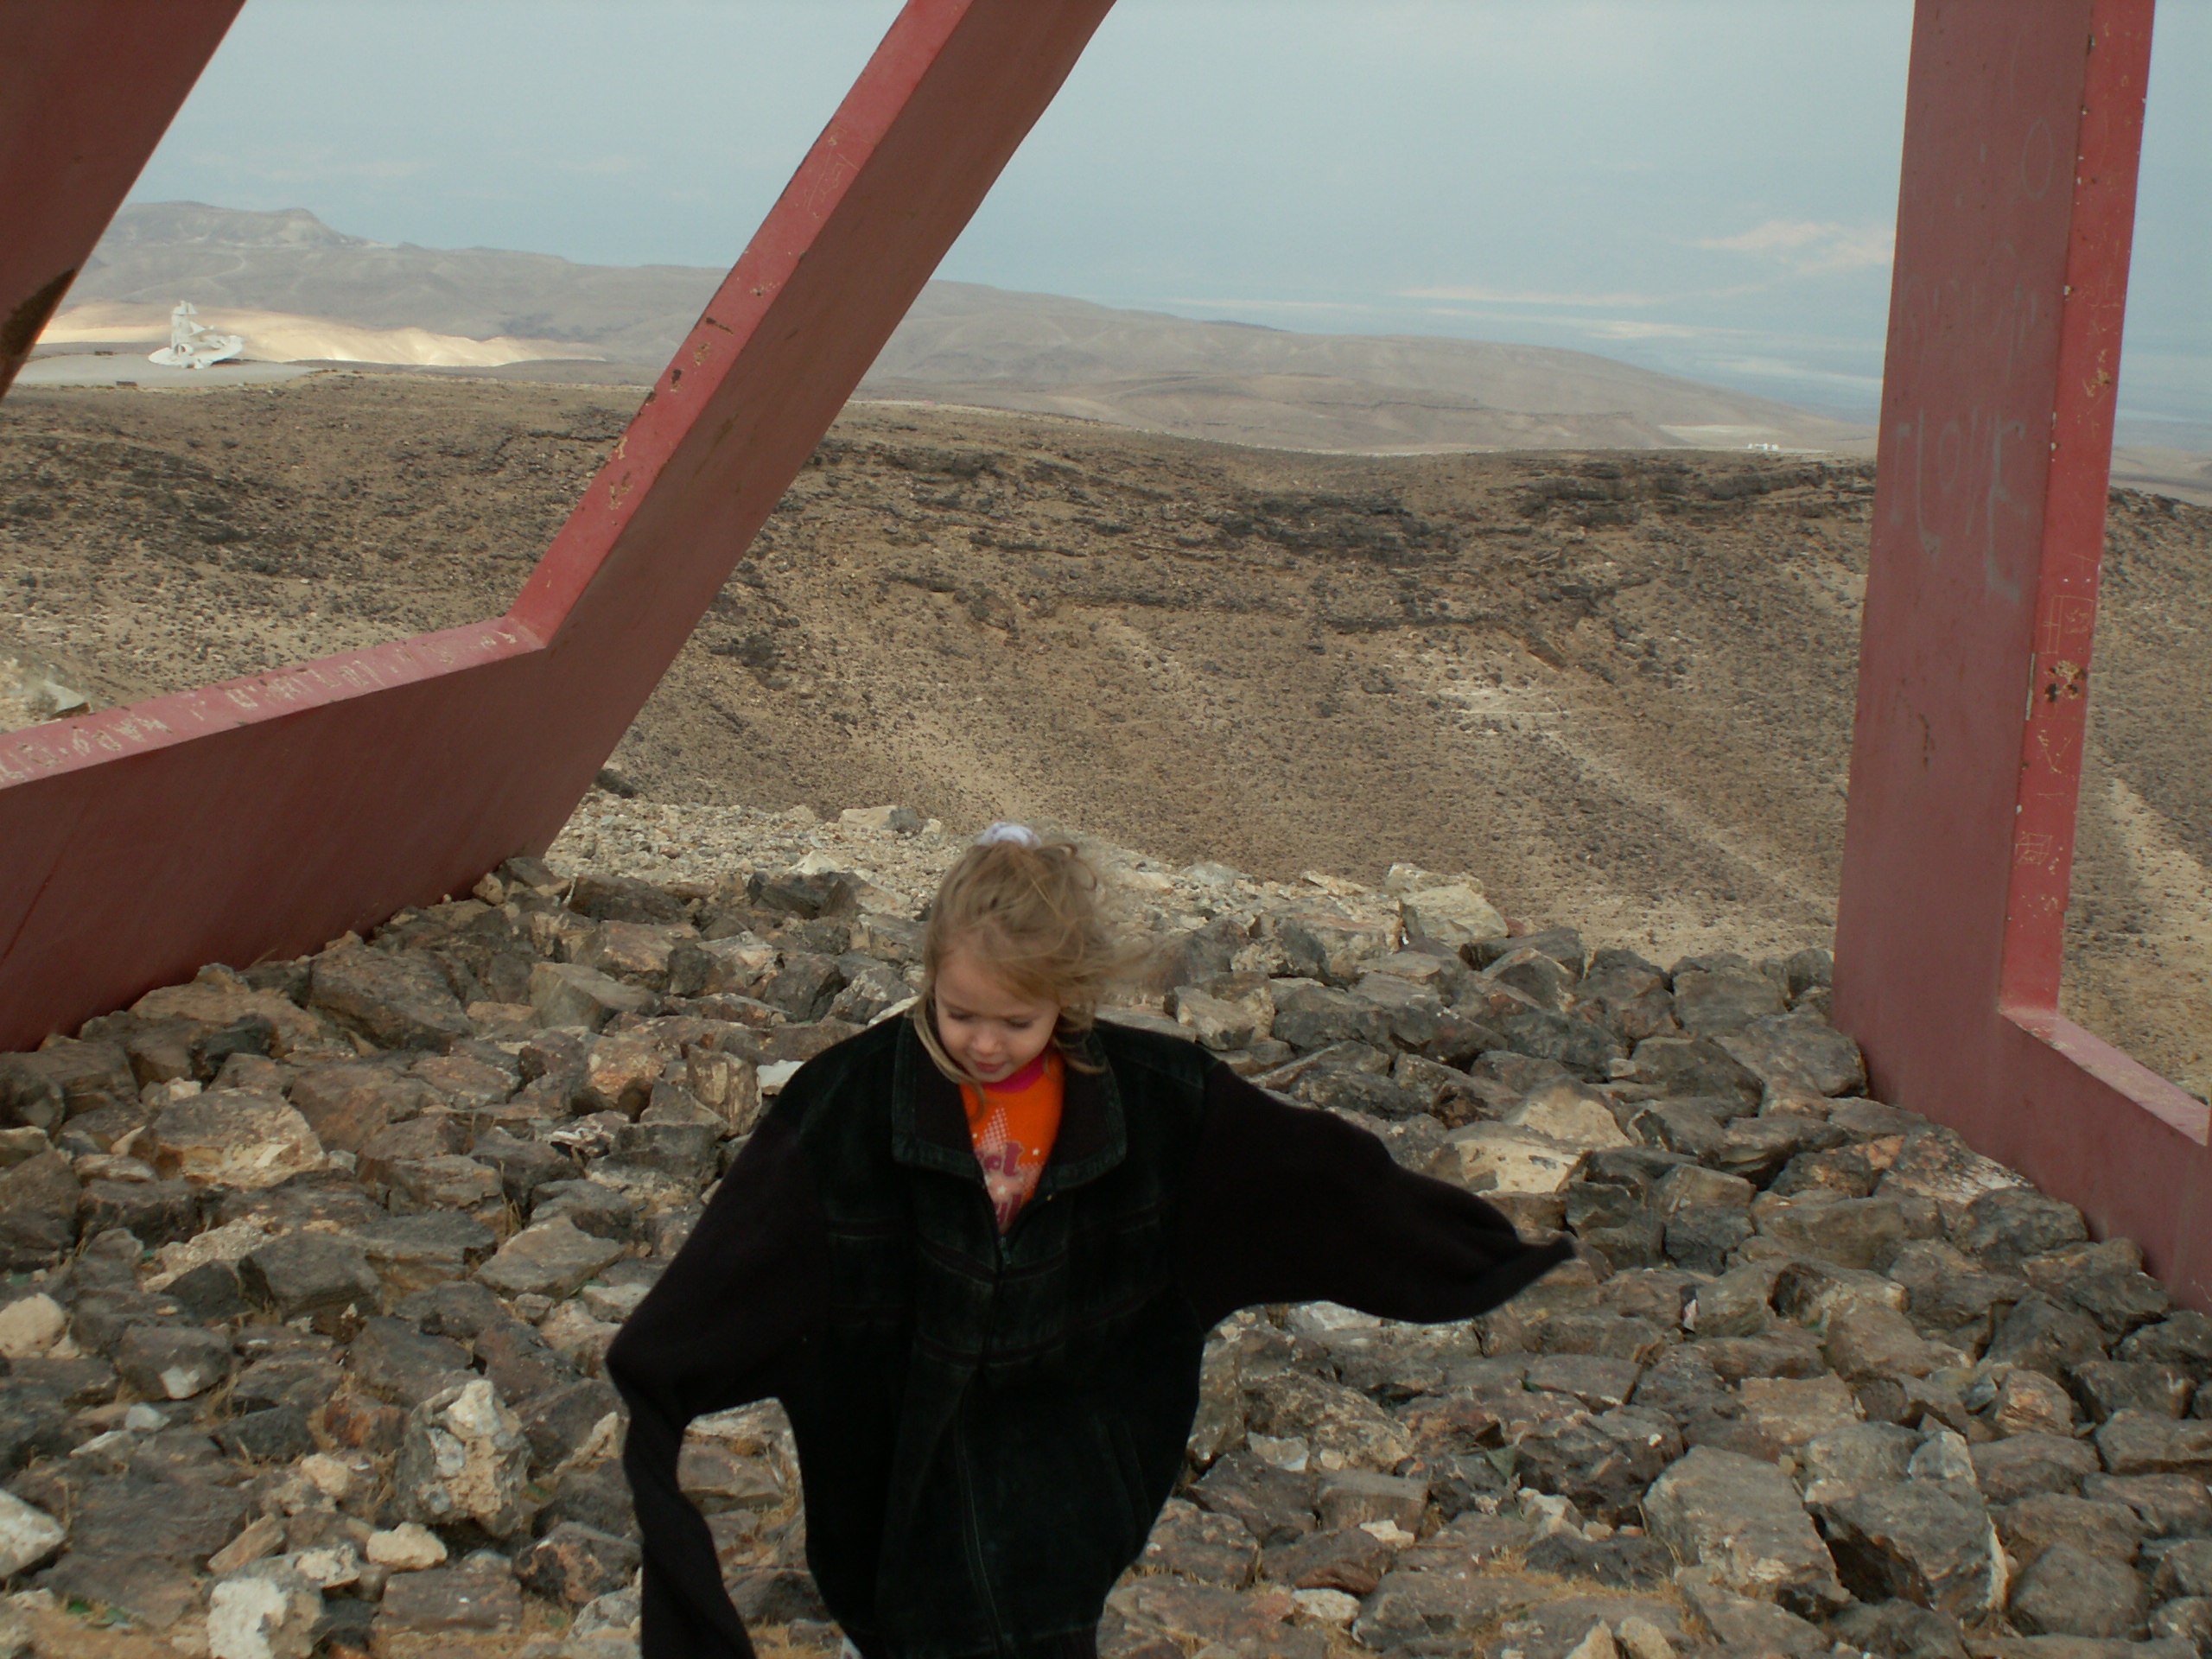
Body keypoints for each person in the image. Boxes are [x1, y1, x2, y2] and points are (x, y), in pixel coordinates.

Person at [607, 823, 1572, 1659]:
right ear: (929, 978)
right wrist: (664, 1369)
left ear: (1067, 999)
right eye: (959, 1014)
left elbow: (1316, 1179)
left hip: (1066, 1463)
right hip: (901, 1463)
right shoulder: (851, 1103)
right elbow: (747, 1250)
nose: (985, 1043)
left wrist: (1467, 1249)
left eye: (1016, 1021)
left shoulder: (1153, 1102)